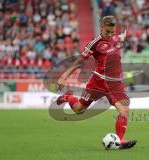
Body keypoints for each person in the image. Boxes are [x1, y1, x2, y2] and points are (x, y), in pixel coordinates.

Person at [57, 16, 137, 149]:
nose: (110, 35)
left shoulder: (115, 39)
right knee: (79, 109)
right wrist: (64, 76)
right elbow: (79, 62)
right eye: (108, 32)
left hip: (115, 83)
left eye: (112, 32)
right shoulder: (94, 43)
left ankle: (120, 141)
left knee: (124, 110)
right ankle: (67, 97)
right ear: (102, 28)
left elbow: (119, 38)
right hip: (98, 81)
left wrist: (123, 35)